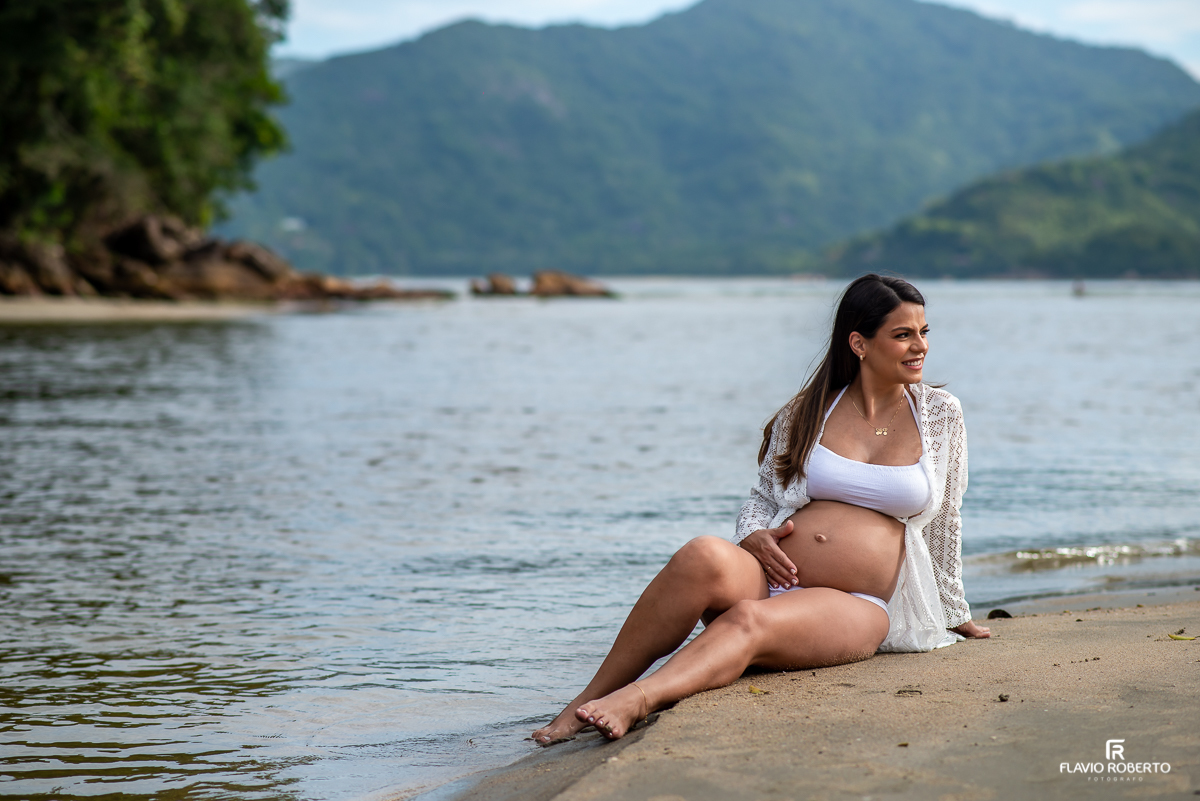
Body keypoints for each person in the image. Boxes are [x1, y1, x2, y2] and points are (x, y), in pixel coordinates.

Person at [532, 274, 990, 746]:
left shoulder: (939, 414)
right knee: (701, 554)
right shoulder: (807, 412)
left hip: (857, 604)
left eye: (923, 332)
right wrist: (752, 534)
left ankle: (637, 699)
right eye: (903, 334)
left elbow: (945, 520)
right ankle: (581, 704)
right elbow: (763, 500)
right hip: (768, 576)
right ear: (859, 343)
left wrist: (953, 610)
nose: (920, 346)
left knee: (749, 620)